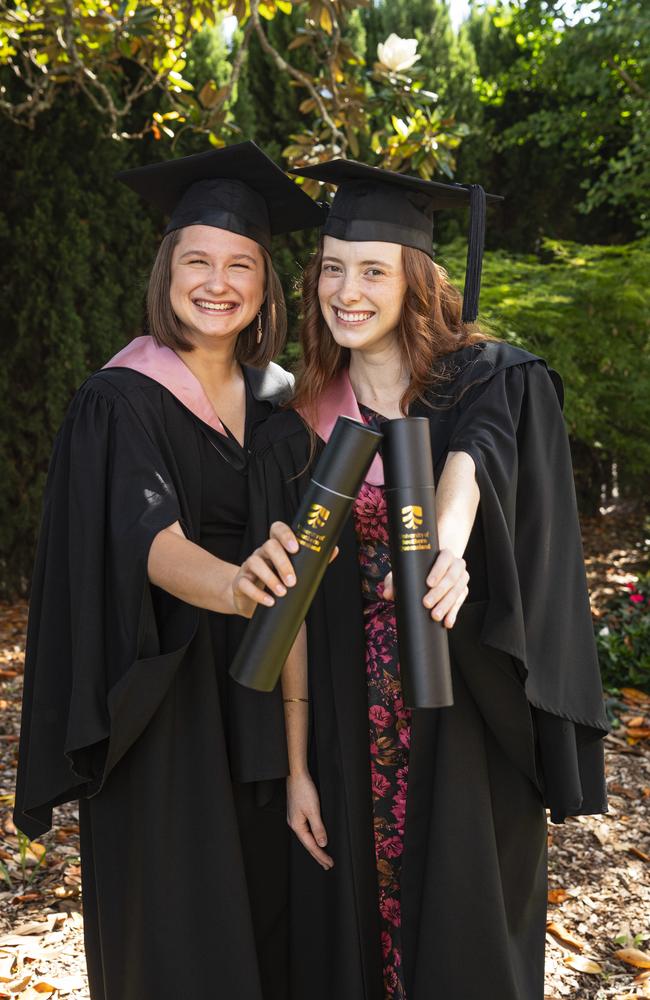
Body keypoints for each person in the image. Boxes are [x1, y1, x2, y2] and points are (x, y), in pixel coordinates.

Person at [245, 159, 609, 1000]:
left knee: (463, 933)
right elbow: (289, 614)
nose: (348, 290)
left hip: (461, 713)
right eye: (333, 267)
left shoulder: (486, 380)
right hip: (343, 721)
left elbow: (472, 465)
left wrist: (443, 548)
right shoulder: (294, 425)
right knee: (351, 942)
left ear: (415, 280)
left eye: (373, 270)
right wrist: (295, 766)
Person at [13, 141, 324, 1000]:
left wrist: (300, 765)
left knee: (269, 941)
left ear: (266, 285)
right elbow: (148, 534)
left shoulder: (282, 415)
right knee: (176, 947)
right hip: (164, 711)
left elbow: (295, 596)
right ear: (167, 270)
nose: (217, 282)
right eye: (198, 260)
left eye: (240, 264)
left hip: (258, 712)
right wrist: (232, 585)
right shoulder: (122, 398)